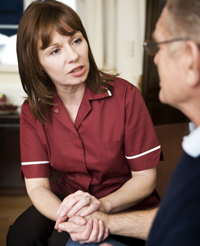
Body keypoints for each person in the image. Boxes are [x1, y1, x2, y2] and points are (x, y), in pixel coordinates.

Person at [6, 1, 162, 245]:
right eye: (54, 51)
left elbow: (145, 178)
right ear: (36, 64)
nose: (73, 56)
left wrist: (101, 206)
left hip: (124, 201)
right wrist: (72, 217)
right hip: (68, 197)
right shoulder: (33, 111)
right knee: (20, 237)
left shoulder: (126, 96)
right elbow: (37, 187)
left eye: (76, 40)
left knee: (63, 243)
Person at [59, 0, 200, 245]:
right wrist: (103, 221)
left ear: (190, 59)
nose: (154, 60)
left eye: (159, 47)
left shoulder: (125, 95)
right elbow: (180, 221)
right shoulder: (193, 142)